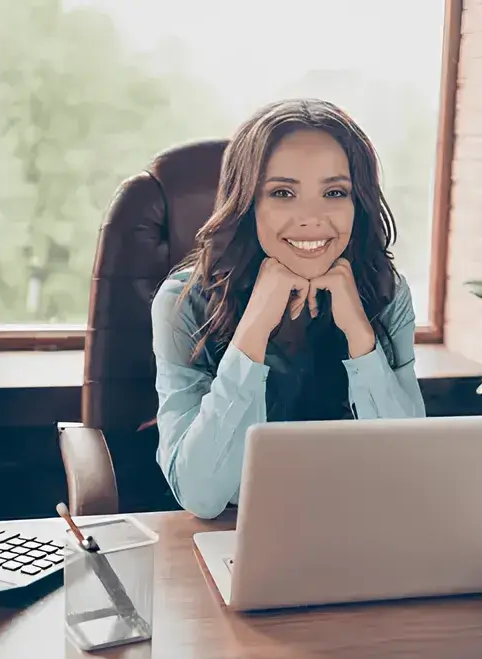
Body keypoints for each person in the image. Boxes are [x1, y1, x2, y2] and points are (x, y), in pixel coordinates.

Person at [150, 98, 427, 519]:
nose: (311, 218)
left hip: (358, 530)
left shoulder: (385, 293)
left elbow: (411, 474)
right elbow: (201, 494)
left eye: (334, 192)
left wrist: (360, 335)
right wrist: (253, 331)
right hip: (234, 538)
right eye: (283, 193)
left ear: (359, 203)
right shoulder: (184, 302)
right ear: (248, 203)